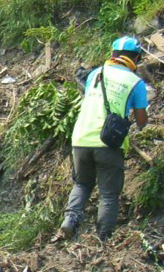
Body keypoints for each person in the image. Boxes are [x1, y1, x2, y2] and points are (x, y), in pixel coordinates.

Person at [58, 36, 149, 241]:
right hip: (109, 143)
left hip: (80, 138)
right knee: (108, 194)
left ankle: (70, 220)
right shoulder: (136, 83)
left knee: (82, 184)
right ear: (136, 58)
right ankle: (103, 238)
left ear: (113, 54)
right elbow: (141, 120)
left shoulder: (95, 74)